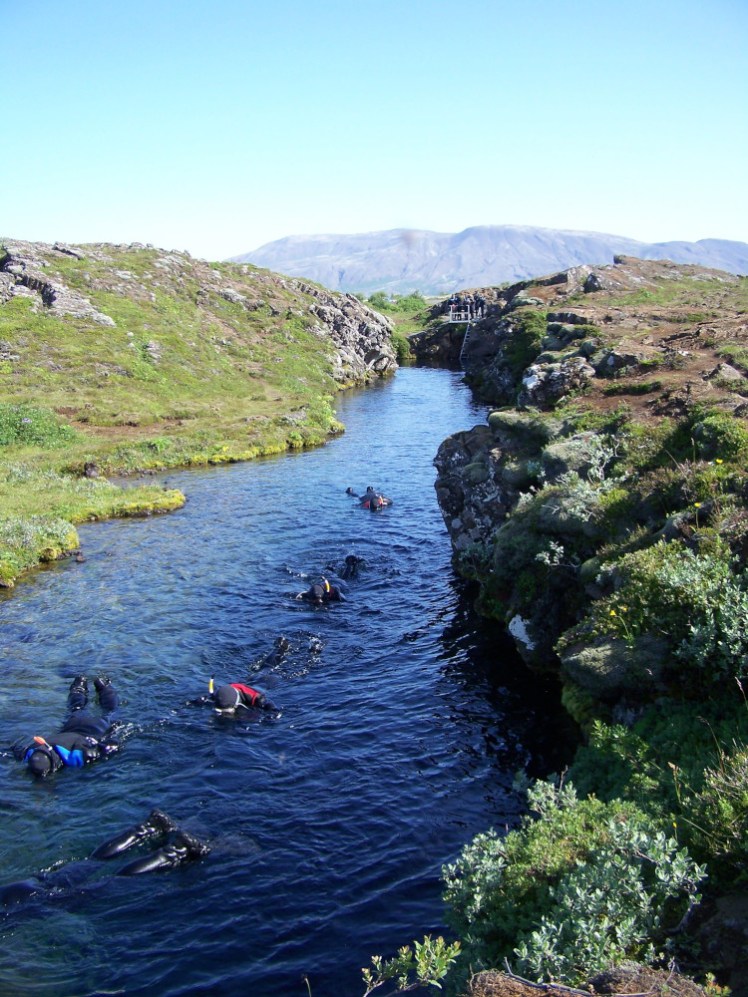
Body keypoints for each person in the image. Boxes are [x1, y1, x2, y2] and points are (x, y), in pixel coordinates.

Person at [1, 810, 210, 905]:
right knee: (93, 863)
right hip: (24, 886)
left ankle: (176, 851)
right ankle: (147, 828)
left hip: (30, 899)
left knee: (112, 880)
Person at [19, 675, 121, 778]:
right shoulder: (31, 750)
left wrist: (110, 743)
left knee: (110, 712)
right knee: (76, 708)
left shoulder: (76, 756)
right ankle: (85, 685)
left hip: (95, 727)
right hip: (72, 724)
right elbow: (15, 748)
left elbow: (111, 745)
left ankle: (103, 687)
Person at [193, 676, 276, 715]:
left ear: (235, 705)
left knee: (269, 668)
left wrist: (273, 714)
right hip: (242, 684)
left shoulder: (257, 699)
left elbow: (269, 705)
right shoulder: (219, 695)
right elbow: (205, 698)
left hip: (266, 681)